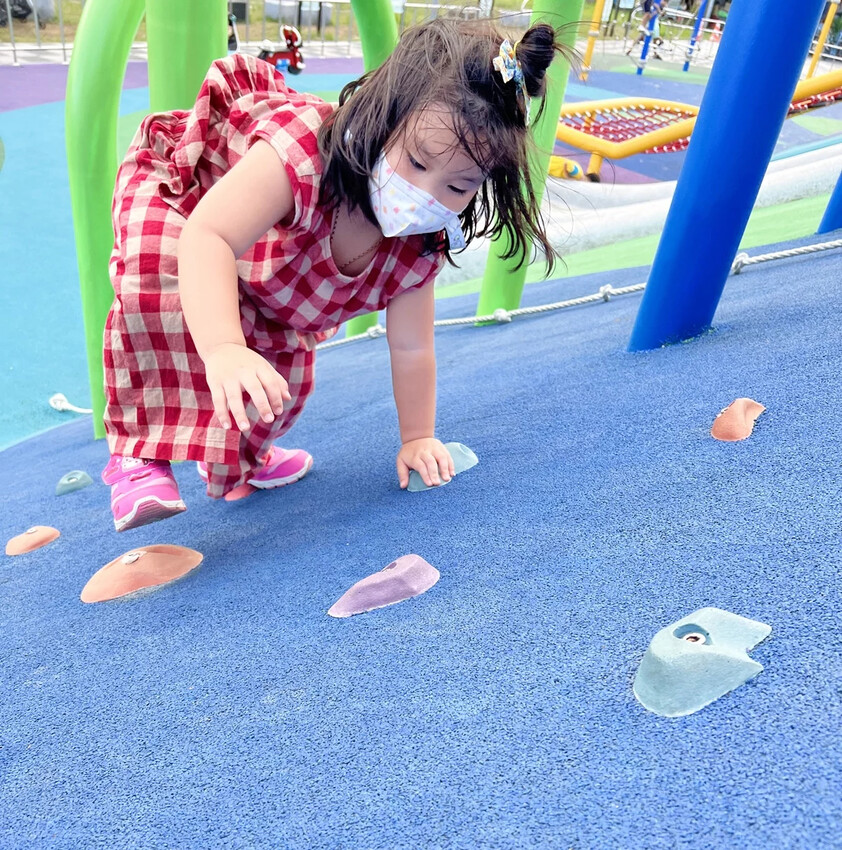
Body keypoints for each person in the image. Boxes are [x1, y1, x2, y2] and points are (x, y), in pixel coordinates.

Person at [101, 17, 567, 532]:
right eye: (415, 162)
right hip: (190, 204)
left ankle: (241, 464)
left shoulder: (419, 245)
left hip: (267, 274)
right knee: (162, 287)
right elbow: (208, 236)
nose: (426, 195)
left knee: (284, 378)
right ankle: (138, 456)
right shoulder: (302, 157)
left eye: (458, 187)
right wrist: (224, 348)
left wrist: (417, 437)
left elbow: (412, 347)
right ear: (382, 118)